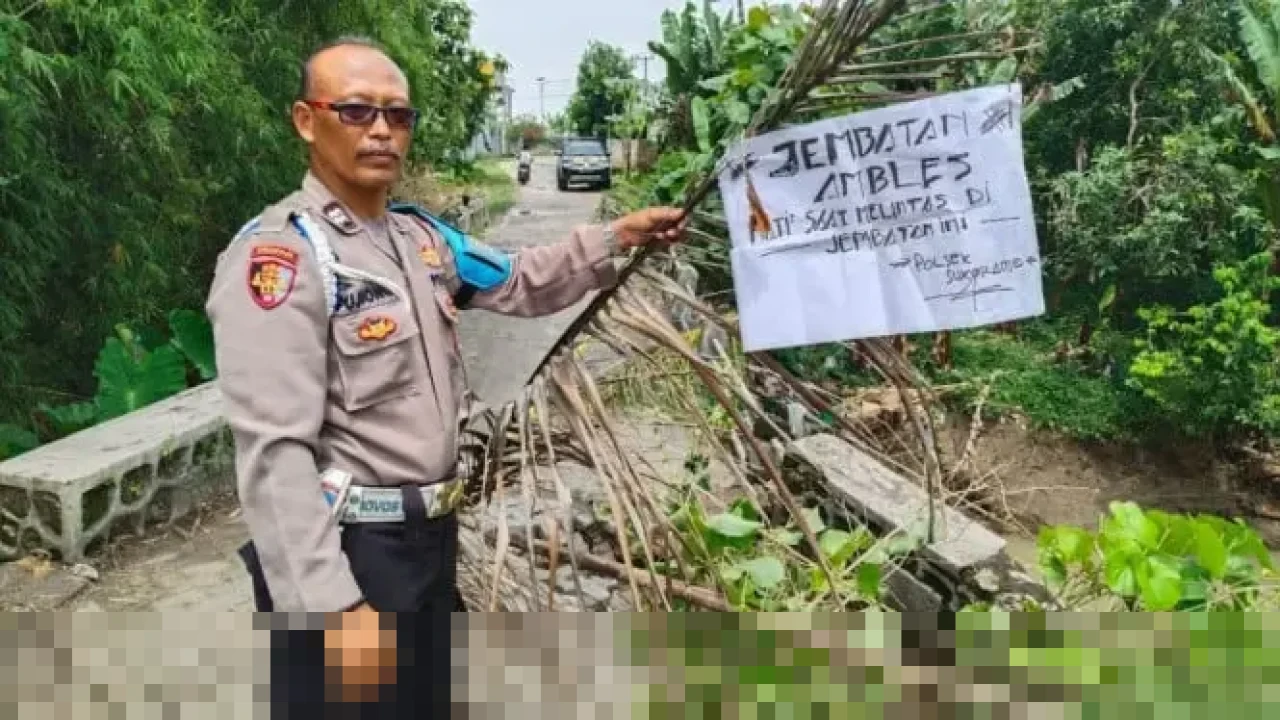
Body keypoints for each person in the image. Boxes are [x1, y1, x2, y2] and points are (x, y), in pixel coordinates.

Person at [204, 36, 686, 714]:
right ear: (306, 121)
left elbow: (518, 282)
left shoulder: (424, 242)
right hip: (353, 552)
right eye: (356, 111)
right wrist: (332, 607)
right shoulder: (283, 258)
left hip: (428, 546)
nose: (381, 130)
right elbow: (274, 455)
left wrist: (616, 238)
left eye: (398, 116)